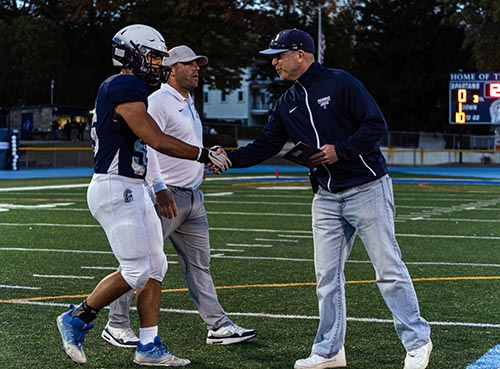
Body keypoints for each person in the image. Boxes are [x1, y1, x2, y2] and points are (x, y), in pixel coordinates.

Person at [224, 28, 432, 369]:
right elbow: (266, 144)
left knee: (388, 270)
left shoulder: (340, 82)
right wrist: (229, 159)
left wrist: (341, 151)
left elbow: (375, 124)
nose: (273, 62)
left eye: (278, 55)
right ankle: (329, 351)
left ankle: (417, 341)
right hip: (325, 196)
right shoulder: (286, 102)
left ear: (301, 55)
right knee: (326, 278)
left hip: (367, 187)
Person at [55, 24, 230, 367]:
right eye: (151, 56)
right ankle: (77, 318)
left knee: (156, 266)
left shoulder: (132, 87)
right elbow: (154, 138)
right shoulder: (124, 83)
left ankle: (149, 346)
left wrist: (157, 184)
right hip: (114, 186)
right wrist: (202, 153)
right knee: (136, 271)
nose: (157, 64)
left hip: (132, 185)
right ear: (130, 54)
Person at [101, 45, 256, 349]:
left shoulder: (187, 101)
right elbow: (149, 144)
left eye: (198, 64)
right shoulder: (158, 100)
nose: (197, 68)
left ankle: (218, 326)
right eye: (189, 64)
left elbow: (184, 144)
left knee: (200, 265)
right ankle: (116, 323)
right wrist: (159, 188)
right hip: (167, 196)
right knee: (138, 263)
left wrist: (203, 163)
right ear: (171, 69)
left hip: (193, 197)